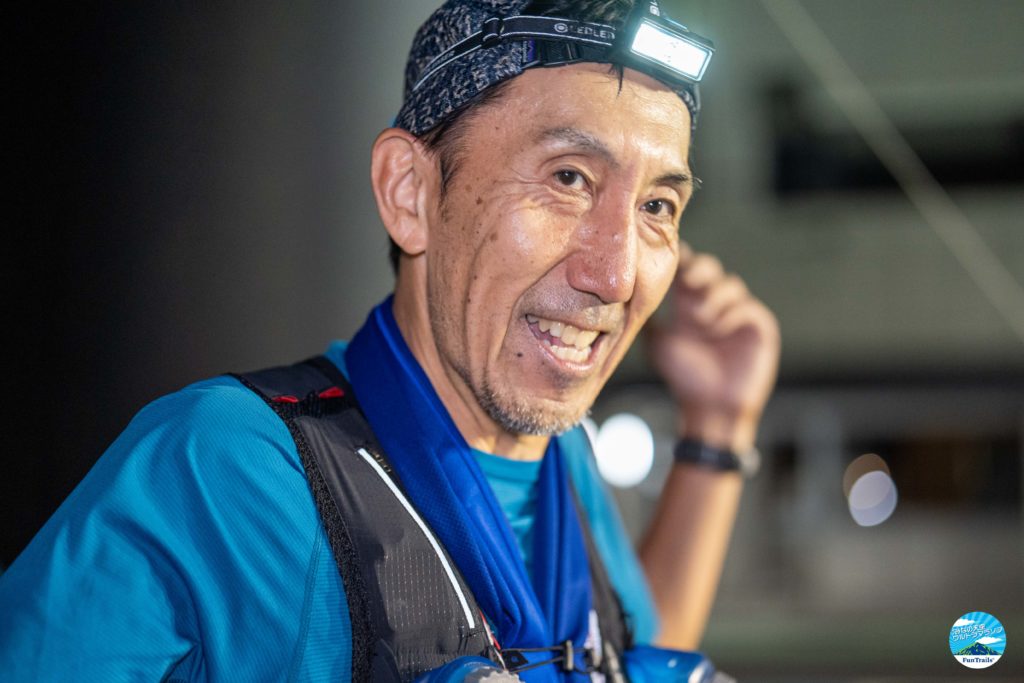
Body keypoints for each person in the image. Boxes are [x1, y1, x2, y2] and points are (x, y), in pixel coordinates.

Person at [0, 0, 780, 680]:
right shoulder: (228, 467)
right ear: (410, 192)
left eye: (656, 206)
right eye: (568, 178)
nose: (615, 273)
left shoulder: (560, 463)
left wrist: (719, 426)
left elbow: (613, 652)